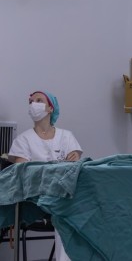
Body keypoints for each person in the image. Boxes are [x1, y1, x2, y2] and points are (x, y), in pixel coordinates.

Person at [9, 91, 83, 261]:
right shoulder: (23, 140)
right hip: (36, 201)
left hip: (64, 197)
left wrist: (73, 160)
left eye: (39, 100)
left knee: (81, 211)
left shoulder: (66, 137)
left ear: (50, 108)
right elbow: (23, 173)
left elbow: (75, 168)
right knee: (66, 214)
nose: (33, 104)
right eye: (30, 101)